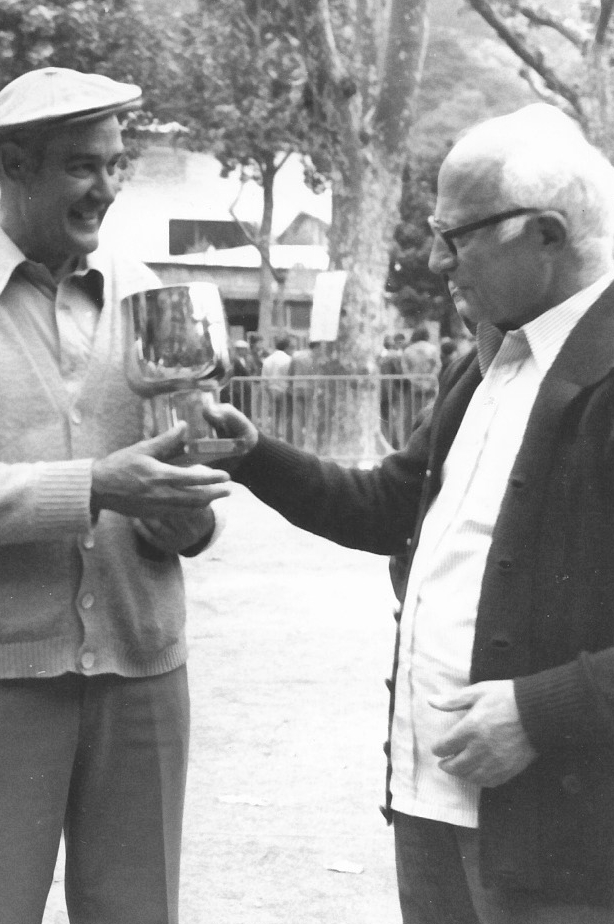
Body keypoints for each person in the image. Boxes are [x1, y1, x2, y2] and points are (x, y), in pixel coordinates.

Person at [208, 104, 614, 922]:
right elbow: (391, 507)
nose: (434, 260)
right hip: (434, 802)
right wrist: (252, 454)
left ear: (545, 233)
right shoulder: (492, 361)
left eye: (454, 234)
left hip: (563, 835)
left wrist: (543, 711)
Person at [0, 67, 232, 924]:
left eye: (114, 165)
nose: (105, 188)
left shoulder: (147, 291)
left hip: (141, 669)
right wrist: (99, 485)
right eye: (81, 166)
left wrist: (186, 512)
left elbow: (176, 489)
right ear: (13, 167)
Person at [259, 335, 294, 440]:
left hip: (271, 390)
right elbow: (290, 376)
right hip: (284, 390)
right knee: (287, 416)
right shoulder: (288, 359)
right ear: (286, 347)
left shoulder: (268, 360)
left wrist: (267, 390)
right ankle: (287, 439)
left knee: (274, 416)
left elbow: (264, 378)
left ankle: (274, 438)